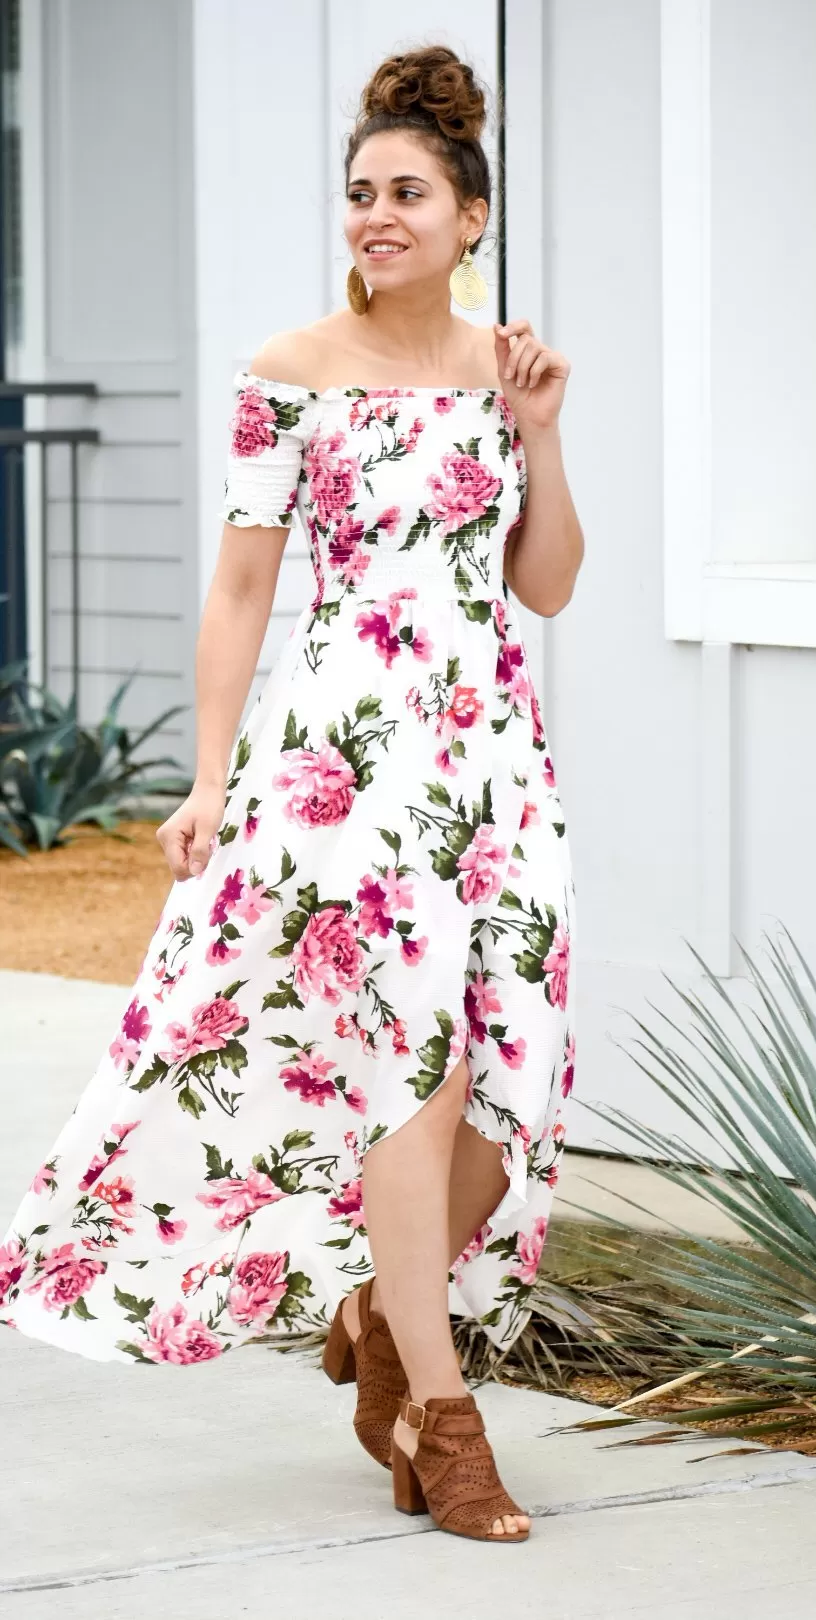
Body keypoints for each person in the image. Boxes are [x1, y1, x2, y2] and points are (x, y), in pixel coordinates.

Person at [0, 45, 582, 1545]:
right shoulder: (289, 374)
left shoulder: (503, 371)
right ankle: (443, 1426)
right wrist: (207, 775)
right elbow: (241, 588)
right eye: (359, 194)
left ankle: (386, 1327)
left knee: (514, 1088)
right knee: (412, 1073)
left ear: (471, 216)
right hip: (348, 766)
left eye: (407, 193)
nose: (376, 215)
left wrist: (542, 434)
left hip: (492, 765)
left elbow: (550, 585)